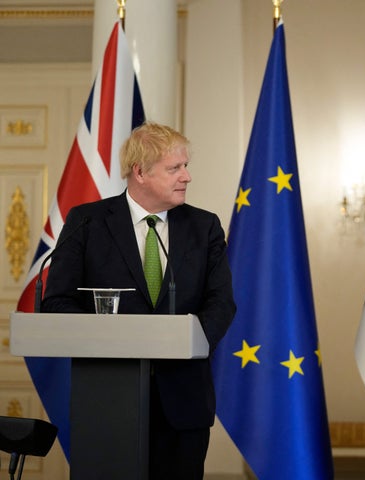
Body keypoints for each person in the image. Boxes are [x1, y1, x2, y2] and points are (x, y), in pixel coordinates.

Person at [42, 122, 236, 479]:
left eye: (186, 166)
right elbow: (56, 302)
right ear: (140, 172)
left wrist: (187, 343)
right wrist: (111, 339)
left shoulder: (204, 226)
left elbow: (221, 302)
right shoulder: (87, 222)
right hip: (107, 398)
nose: (187, 177)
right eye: (175, 168)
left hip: (184, 399)